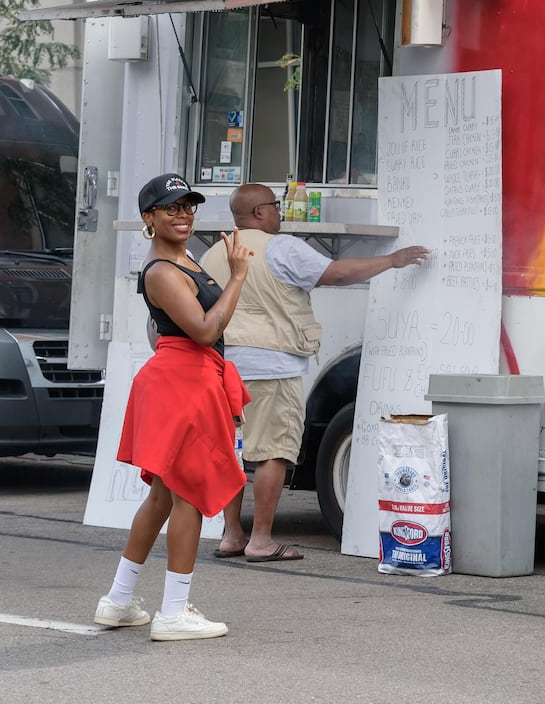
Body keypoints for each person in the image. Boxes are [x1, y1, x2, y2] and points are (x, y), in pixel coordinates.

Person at [201, 183, 429, 563]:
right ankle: (260, 540)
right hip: (273, 366)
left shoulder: (213, 252)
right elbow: (337, 273)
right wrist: (393, 260)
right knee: (272, 452)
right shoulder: (280, 247)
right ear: (258, 212)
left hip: (223, 367)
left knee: (231, 451)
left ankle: (232, 535)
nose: (280, 212)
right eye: (275, 206)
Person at [92, 173, 254, 641]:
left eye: (188, 206)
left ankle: (119, 601)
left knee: (163, 495)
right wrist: (238, 275)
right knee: (187, 495)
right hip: (184, 380)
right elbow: (205, 330)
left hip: (188, 379)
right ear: (149, 218)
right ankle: (173, 613)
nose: (182, 215)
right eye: (171, 208)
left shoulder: (182, 260)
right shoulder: (162, 270)